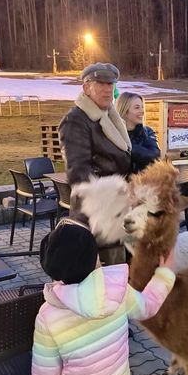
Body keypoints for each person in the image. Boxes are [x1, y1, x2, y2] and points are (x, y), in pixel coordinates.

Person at [30, 219, 176, 375]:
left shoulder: (47, 315)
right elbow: (148, 305)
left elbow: (45, 369)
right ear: (95, 260)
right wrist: (165, 274)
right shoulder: (118, 293)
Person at [59, 62, 132, 264]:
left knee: (120, 273)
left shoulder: (110, 116)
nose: (108, 89)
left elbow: (124, 159)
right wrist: (114, 195)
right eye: (101, 83)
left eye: (111, 84)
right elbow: (79, 174)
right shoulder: (76, 120)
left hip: (118, 209)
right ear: (86, 87)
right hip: (97, 214)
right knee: (106, 277)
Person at [116, 91, 160, 173]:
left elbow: (155, 156)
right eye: (137, 107)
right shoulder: (113, 134)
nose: (142, 111)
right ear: (125, 111)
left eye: (142, 107)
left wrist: (127, 148)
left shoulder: (147, 132)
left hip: (142, 183)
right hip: (120, 183)